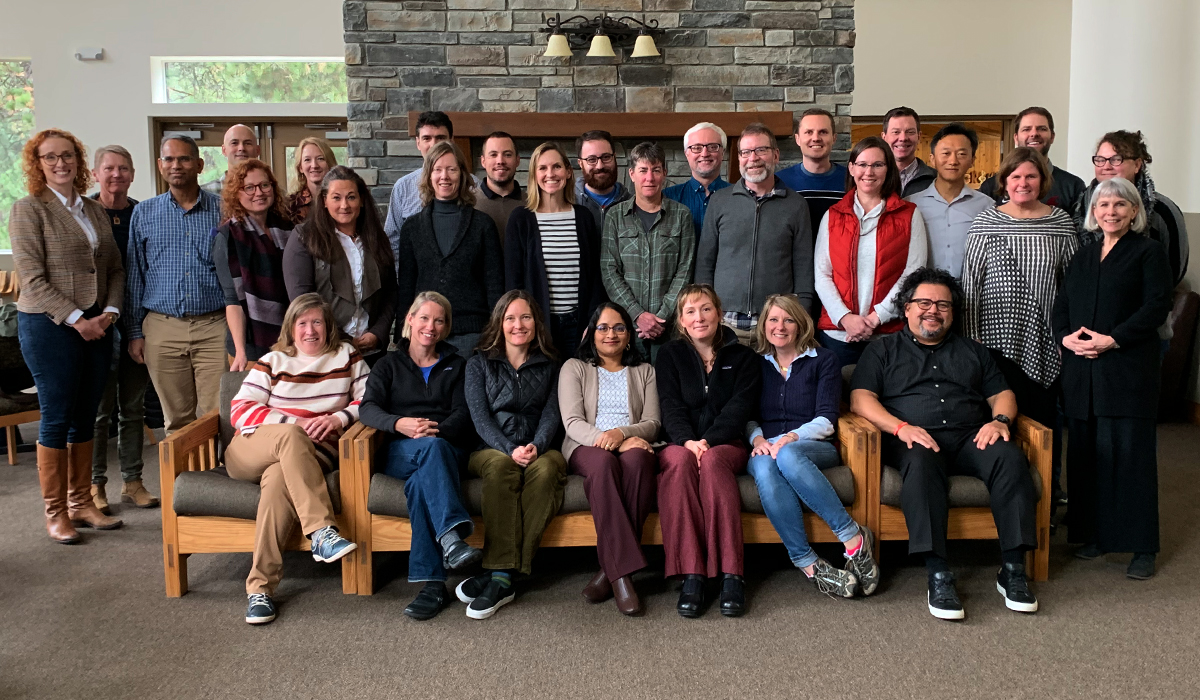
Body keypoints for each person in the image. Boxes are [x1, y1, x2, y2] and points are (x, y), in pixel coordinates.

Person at [850, 267, 1039, 621]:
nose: (932, 310)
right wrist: (900, 427)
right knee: (921, 464)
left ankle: (1013, 570)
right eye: (923, 302)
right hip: (913, 437)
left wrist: (999, 422)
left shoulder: (975, 351)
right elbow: (861, 400)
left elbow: (1003, 395)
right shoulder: (882, 351)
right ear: (906, 308)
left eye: (942, 305)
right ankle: (938, 573)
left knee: (1010, 458)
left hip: (971, 435)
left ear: (953, 313)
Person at [1054, 177, 1174, 580]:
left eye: (1120, 205)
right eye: (1103, 205)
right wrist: (1065, 336)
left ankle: (1141, 546)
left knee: (1130, 461)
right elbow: (1063, 304)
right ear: (1093, 212)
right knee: (1087, 458)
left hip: (1125, 370)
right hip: (1081, 371)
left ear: (1135, 212)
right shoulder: (1083, 255)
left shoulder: (1148, 252)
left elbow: (1157, 306)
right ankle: (1094, 535)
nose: (1111, 212)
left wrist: (1113, 340)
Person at [11, 128, 124, 542]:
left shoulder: (93, 211)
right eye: (50, 157)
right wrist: (78, 319)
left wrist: (109, 312)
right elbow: (33, 279)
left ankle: (82, 503)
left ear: (78, 161)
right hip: (50, 326)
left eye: (67, 156)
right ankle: (55, 512)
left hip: (97, 324)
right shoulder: (29, 210)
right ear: (38, 165)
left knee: (85, 416)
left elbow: (113, 268)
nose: (61, 164)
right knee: (57, 417)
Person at [227, 293, 364, 625]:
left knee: (278, 482)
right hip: (251, 447)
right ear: (291, 329)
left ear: (328, 326)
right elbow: (240, 409)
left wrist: (339, 418)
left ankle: (259, 590)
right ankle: (320, 531)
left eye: (317, 322)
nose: (310, 330)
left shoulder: (346, 357)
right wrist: (295, 423)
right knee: (291, 436)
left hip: (309, 456)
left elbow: (370, 400)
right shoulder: (273, 360)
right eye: (302, 323)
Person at [359, 292, 482, 620]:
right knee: (427, 456)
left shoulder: (458, 364)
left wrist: (434, 432)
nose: (431, 326)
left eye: (439, 320)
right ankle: (450, 538)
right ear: (409, 320)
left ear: (446, 327)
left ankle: (431, 585)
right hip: (401, 451)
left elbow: (463, 414)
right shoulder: (387, 365)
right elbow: (367, 408)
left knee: (420, 484)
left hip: (446, 447)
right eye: (424, 318)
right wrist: (399, 422)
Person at [746, 294, 879, 598]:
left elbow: (828, 418)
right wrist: (758, 440)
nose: (780, 326)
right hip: (764, 447)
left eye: (788, 319)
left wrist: (791, 437)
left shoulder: (824, 360)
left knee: (787, 454)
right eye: (773, 319)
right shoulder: (755, 365)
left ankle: (853, 539)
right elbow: (747, 416)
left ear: (801, 324)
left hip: (812, 447)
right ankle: (807, 563)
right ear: (764, 325)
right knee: (766, 467)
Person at [961, 148, 1077, 477]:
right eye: (1015, 176)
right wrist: (973, 342)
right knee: (997, 423)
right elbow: (970, 284)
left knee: (1045, 425)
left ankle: (1049, 499)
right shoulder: (986, 221)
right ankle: (1004, 493)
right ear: (1004, 182)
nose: (1022, 183)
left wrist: (1064, 335)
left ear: (1043, 181)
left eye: (1031, 176)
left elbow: (1071, 286)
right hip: (994, 344)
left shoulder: (1060, 222)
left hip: (1045, 341)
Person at [458, 291, 566, 620]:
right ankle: (505, 573)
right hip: (489, 449)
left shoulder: (551, 363)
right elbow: (480, 419)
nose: (518, 325)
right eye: (510, 318)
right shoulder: (478, 363)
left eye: (526, 317)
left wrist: (537, 444)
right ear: (499, 324)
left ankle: (501, 575)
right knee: (503, 467)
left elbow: (552, 413)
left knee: (547, 472)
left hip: (541, 447)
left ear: (536, 323)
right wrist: (509, 448)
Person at [655, 284, 761, 618]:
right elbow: (670, 407)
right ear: (681, 320)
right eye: (690, 311)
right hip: (680, 443)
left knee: (713, 462)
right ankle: (693, 574)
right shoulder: (669, 355)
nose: (699, 317)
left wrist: (709, 442)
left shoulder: (743, 357)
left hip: (726, 444)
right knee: (678, 461)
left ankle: (732, 575)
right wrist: (688, 441)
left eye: (705, 309)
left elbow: (739, 409)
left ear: (718, 312)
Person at [559, 302, 660, 616]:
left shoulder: (645, 371)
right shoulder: (573, 367)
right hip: (585, 445)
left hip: (630, 443)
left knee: (640, 463)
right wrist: (612, 442)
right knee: (603, 464)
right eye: (603, 327)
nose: (611, 334)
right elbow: (573, 422)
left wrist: (622, 433)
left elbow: (653, 422)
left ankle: (611, 573)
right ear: (591, 333)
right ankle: (623, 578)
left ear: (629, 335)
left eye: (619, 327)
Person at [126, 135, 227, 431]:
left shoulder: (223, 211)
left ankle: (215, 478)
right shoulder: (144, 213)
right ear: (160, 166)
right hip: (162, 329)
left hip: (214, 326)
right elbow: (135, 276)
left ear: (199, 164)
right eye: (169, 159)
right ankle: (183, 478)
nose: (176, 165)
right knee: (176, 420)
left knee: (217, 415)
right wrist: (135, 332)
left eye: (183, 159)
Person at [696, 123, 814, 344]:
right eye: (746, 152)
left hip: (775, 325)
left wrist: (799, 317)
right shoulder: (720, 201)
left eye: (761, 150)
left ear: (775, 155)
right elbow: (705, 264)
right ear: (739, 158)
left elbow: (803, 268)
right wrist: (705, 312)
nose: (753, 158)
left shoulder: (796, 206)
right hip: (725, 325)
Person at [815, 136, 928, 367]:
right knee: (839, 401)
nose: (869, 172)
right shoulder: (833, 215)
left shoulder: (909, 215)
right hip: (839, 334)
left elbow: (912, 274)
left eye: (878, 165)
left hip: (889, 333)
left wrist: (876, 318)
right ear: (851, 168)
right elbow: (822, 274)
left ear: (889, 169)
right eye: (863, 164)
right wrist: (846, 318)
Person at [89, 145, 155, 512]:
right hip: (95, 324)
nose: (117, 175)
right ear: (96, 173)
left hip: (135, 323)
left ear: (132, 174)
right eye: (109, 168)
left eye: (124, 169)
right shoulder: (83, 213)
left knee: (133, 407)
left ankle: (132, 481)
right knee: (100, 411)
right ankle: (95, 486)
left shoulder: (141, 213)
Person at [395, 141, 504, 355]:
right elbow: (406, 287)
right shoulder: (412, 228)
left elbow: (494, 286)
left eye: (451, 169)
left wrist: (495, 337)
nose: (444, 176)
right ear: (428, 176)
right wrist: (401, 338)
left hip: (472, 337)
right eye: (437, 169)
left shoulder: (483, 225)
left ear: (462, 175)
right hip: (425, 335)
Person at [284, 166, 395, 367]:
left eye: (351, 197)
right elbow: (302, 302)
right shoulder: (304, 238)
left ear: (361, 200)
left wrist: (377, 333)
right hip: (324, 352)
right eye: (336, 198)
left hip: (373, 352)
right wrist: (343, 338)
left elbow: (390, 292)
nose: (344, 205)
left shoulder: (376, 238)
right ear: (324, 201)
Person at [505, 142, 606, 359]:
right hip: (537, 326)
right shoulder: (521, 219)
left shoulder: (583, 217)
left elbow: (595, 276)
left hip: (578, 325)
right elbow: (514, 282)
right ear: (534, 174)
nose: (550, 174)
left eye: (557, 167)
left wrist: (593, 321)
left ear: (568, 172)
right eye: (542, 168)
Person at [600, 142, 695, 361]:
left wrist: (660, 318)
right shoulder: (614, 217)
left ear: (664, 173)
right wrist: (637, 314)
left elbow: (685, 269)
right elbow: (609, 270)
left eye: (656, 170)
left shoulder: (682, 216)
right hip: (627, 328)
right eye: (643, 170)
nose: (649, 178)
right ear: (632, 174)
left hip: (670, 329)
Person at [1073, 130, 1189, 286]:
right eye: (1100, 159)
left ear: (1137, 165)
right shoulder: (1080, 207)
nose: (1106, 166)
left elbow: (1175, 268)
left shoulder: (1163, 210)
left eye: (1116, 159)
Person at [213, 159, 295, 369]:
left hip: (291, 340)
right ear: (236, 193)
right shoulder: (229, 236)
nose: (259, 192)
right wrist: (240, 351)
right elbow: (232, 299)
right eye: (249, 187)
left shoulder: (289, 229)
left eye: (264, 185)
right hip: (251, 345)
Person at [384, 111, 477, 276]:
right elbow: (393, 243)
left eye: (440, 138)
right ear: (418, 142)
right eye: (427, 138)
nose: (434, 144)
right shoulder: (402, 188)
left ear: (451, 140)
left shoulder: (474, 186)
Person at [906, 123, 994, 278]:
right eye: (946, 153)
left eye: (961, 154)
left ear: (972, 160)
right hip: (926, 296)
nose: (953, 161)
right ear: (932, 159)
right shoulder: (911, 205)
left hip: (971, 294)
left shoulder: (986, 207)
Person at [979, 107, 1085, 209]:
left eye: (1041, 129)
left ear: (1052, 137)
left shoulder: (1073, 186)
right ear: (1016, 138)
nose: (1034, 134)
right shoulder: (991, 186)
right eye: (1026, 129)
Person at [776, 108, 849, 235]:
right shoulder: (779, 182)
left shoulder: (851, 179)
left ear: (834, 138)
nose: (816, 138)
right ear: (797, 139)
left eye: (823, 132)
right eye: (809, 132)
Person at [663, 122, 731, 245]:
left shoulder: (739, 196)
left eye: (712, 147)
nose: (704, 153)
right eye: (696, 148)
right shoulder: (667, 198)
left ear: (723, 152)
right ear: (686, 154)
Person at [574, 130, 631, 231]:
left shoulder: (631, 204)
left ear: (615, 157)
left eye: (606, 157)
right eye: (591, 159)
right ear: (580, 163)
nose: (600, 166)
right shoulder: (569, 203)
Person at [474, 131, 524, 242]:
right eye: (493, 155)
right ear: (483, 161)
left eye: (507, 155)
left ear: (517, 160)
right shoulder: (469, 203)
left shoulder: (532, 203)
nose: (500, 161)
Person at [881, 107, 936, 197]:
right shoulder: (870, 178)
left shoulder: (936, 180)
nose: (903, 138)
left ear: (919, 136)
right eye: (896, 132)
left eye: (910, 132)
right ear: (884, 137)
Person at [287, 136, 337, 222]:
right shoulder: (289, 205)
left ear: (330, 164)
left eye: (320, 159)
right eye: (307, 160)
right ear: (300, 168)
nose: (314, 165)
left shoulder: (342, 200)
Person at [201, 124, 260, 195]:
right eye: (234, 143)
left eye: (247, 143)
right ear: (224, 150)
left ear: (258, 150)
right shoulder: (206, 192)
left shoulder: (269, 191)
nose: (241, 148)